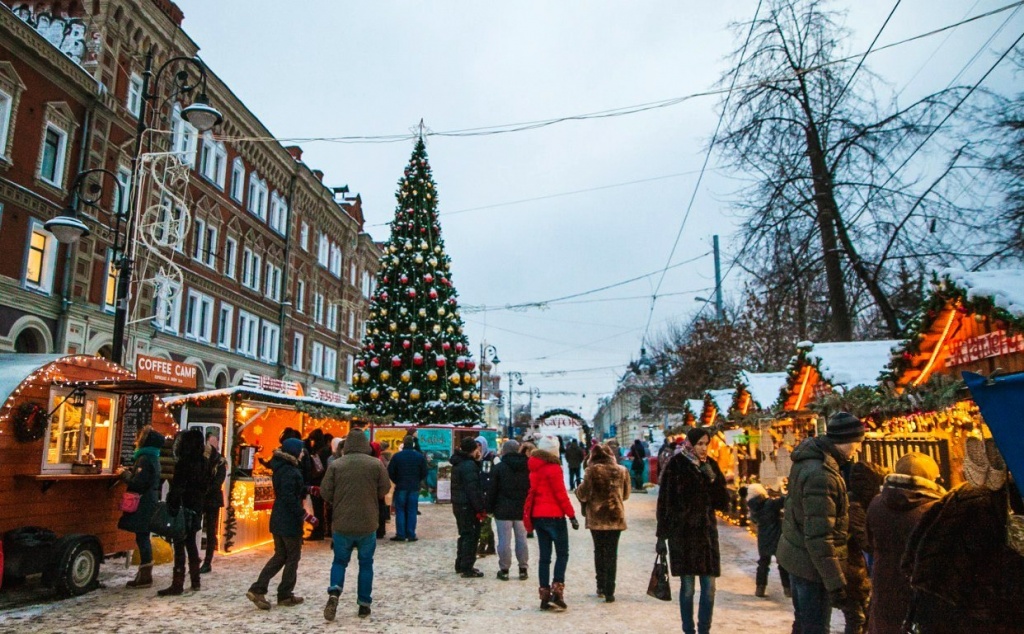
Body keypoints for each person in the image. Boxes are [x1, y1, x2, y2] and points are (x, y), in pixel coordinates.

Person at [901, 438, 1024, 633]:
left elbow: (911, 555)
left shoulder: (958, 494)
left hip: (937, 608)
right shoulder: (1007, 505)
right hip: (979, 617)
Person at [776, 412, 864, 634]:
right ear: (843, 441)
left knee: (804, 624)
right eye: (857, 443)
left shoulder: (811, 461)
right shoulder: (821, 475)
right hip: (812, 568)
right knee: (815, 627)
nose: (858, 449)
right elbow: (819, 536)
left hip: (799, 559)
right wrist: (835, 583)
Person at [656, 428, 730, 634]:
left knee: (709, 589)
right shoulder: (676, 466)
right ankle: (688, 630)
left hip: (706, 537)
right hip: (683, 536)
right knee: (687, 589)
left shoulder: (711, 465)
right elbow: (664, 504)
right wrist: (661, 536)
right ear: (690, 443)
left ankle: (704, 629)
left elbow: (723, 504)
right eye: (699, 443)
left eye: (706, 443)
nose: (703, 448)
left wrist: (713, 480)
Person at [865, 452, 945, 634]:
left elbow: (869, 541)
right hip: (917, 590)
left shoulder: (876, 503)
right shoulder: (935, 509)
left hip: (883, 583)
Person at [320, 428, 391, 621]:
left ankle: (334, 591)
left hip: (342, 523)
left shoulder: (336, 465)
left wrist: (339, 499)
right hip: (368, 523)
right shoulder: (375, 464)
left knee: (339, 561)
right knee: (366, 564)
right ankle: (364, 604)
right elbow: (384, 488)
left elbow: (325, 492)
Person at [247, 438, 315, 610]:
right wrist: (306, 516)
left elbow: (289, 491)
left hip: (279, 518)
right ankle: (283, 594)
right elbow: (289, 498)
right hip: (288, 520)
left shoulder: (282, 467)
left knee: (280, 555)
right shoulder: (290, 471)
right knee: (292, 557)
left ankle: (259, 588)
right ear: (293, 451)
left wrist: (307, 489)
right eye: (300, 450)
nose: (302, 453)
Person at [524, 435, 579, 611]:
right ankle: (557, 590)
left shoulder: (534, 466)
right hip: (555, 517)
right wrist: (571, 515)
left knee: (544, 558)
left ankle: (544, 595)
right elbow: (560, 494)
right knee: (562, 553)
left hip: (538, 517)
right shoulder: (553, 468)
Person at [575, 443, 630, 602]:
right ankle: (610, 591)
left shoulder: (591, 471)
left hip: (597, 518)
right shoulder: (621, 470)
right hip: (615, 516)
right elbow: (625, 495)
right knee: (612, 553)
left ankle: (600, 586)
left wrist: (578, 489)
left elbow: (584, 495)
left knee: (599, 551)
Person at [158, 428, 208, 596]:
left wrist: (171, 503)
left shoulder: (183, 463)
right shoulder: (203, 462)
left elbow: (178, 487)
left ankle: (177, 583)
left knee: (179, 544)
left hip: (183, 508)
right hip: (196, 508)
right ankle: (195, 581)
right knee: (191, 543)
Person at [841, 461, 887, 634]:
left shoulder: (855, 503)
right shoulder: (855, 507)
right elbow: (866, 543)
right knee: (857, 618)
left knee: (863, 616)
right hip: (850, 572)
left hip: (854, 571)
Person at [117, 426, 165, 589]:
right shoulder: (153, 457)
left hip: (143, 502)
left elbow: (138, 482)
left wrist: (124, 474)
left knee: (142, 536)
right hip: (148, 500)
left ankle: (145, 576)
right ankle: (144, 574)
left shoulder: (145, 458)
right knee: (143, 535)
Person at [487, 439, 530, 581]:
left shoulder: (499, 467)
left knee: (504, 541)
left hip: (503, 509)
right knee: (522, 539)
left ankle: (504, 569)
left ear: (504, 451)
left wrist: (489, 508)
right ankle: (523, 568)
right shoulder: (527, 466)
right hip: (522, 509)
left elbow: (492, 490)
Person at [451, 436, 487, 578]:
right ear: (473, 449)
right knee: (471, 535)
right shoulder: (469, 465)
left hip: (459, 504)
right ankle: (467, 567)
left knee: (464, 534)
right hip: (467, 505)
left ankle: (460, 563)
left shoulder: (459, 462)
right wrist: (480, 508)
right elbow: (473, 489)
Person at [746, 483, 790, 599]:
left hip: (763, 538)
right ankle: (788, 588)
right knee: (782, 564)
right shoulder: (770, 504)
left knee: (763, 563)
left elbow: (754, 521)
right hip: (776, 536)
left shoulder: (752, 507)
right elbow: (784, 500)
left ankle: (760, 588)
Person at [388, 435, 428, 542]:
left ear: (403, 444)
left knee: (400, 510)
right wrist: (417, 480)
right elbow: (424, 472)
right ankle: (411, 534)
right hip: (414, 487)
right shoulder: (419, 456)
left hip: (401, 486)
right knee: (412, 510)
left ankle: (400, 534)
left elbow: (390, 471)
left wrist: (397, 480)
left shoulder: (397, 456)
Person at [199, 431, 227, 574]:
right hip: (200, 498)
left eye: (215, 441)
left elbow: (218, 481)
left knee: (210, 531)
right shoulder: (200, 457)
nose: (213, 443)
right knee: (194, 527)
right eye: (211, 441)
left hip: (212, 499)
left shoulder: (220, 461)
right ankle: (196, 557)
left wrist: (205, 490)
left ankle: (207, 561)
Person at [475, 436, 498, 557]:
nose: (478, 448)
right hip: (480, 493)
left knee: (485, 520)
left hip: (488, 494)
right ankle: (491, 546)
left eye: (479, 445)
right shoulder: (477, 458)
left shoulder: (491, 458)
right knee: (485, 520)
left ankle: (482, 546)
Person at [305, 428, 329, 540]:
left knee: (317, 508)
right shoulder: (326, 450)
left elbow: (318, 468)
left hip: (317, 483)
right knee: (321, 508)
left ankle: (318, 531)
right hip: (323, 482)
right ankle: (321, 530)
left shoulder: (319, 452)